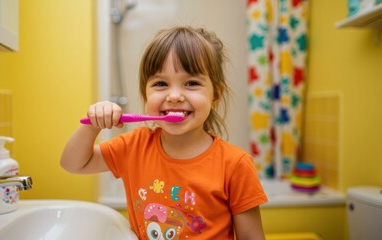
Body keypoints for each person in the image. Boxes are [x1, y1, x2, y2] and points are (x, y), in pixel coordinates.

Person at [61, 26, 268, 240]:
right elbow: (73, 163)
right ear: (146, 94)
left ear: (215, 96)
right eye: (161, 84)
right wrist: (92, 124)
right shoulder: (134, 146)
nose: (175, 95)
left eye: (192, 83)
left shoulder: (235, 165)